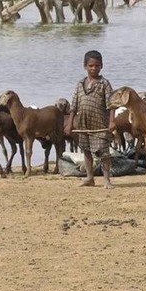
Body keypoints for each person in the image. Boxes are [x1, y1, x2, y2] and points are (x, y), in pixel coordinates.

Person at [64, 50, 115, 188]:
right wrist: (69, 124)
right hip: (83, 123)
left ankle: (106, 180)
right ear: (85, 66)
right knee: (86, 150)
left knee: (103, 153)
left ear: (101, 66)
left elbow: (111, 105)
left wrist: (111, 122)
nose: (94, 68)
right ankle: (89, 177)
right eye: (91, 66)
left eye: (97, 66)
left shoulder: (104, 84)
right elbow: (73, 106)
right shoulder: (80, 84)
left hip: (100, 123)